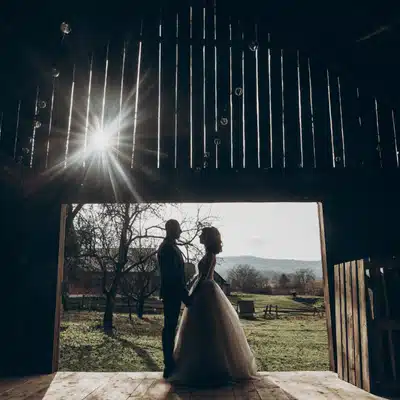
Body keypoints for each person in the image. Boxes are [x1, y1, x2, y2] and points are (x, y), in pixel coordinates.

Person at [169, 226, 257, 387]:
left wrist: (191, 295)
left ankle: (208, 368)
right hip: (206, 289)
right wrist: (191, 284)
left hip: (205, 292)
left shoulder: (209, 255)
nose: (199, 237)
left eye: (202, 235)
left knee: (206, 329)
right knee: (206, 329)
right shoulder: (209, 254)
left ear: (207, 238)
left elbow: (203, 277)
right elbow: (200, 275)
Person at [157, 219, 192, 379]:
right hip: (172, 293)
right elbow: (173, 276)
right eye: (178, 229)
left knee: (171, 327)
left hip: (174, 293)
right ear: (171, 230)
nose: (181, 231)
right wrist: (186, 297)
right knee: (169, 328)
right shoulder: (167, 249)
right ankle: (168, 365)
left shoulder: (171, 247)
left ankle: (170, 364)